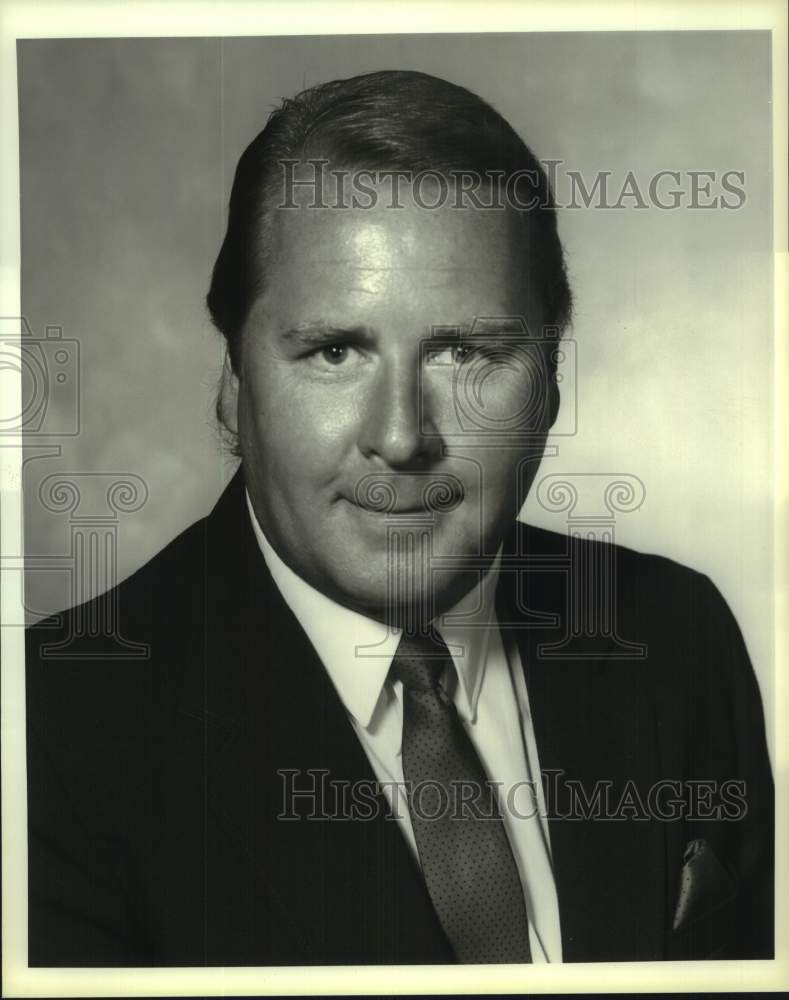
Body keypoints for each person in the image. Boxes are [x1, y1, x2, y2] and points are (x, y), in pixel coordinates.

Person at [25, 70, 773, 966]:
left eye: (467, 352)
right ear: (233, 384)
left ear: (550, 388)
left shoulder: (676, 636)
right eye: (334, 350)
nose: (400, 437)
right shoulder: (51, 734)